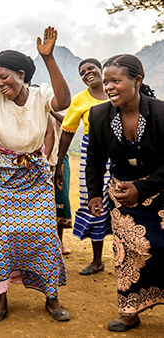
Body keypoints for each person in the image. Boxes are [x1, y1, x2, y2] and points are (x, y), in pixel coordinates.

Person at [0, 23, 71, 322]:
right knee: (4, 237)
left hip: (35, 174)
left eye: (3, 76)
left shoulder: (40, 95)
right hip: (1, 177)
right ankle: (0, 299)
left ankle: (52, 297)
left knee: (45, 235)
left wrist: (48, 58)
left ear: (21, 75)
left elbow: (64, 102)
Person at [86, 54, 164, 332]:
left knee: (161, 248)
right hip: (121, 192)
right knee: (128, 253)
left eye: (116, 81)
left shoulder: (161, 113)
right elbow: (94, 158)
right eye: (106, 82)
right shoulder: (98, 115)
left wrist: (142, 188)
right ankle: (130, 311)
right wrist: (94, 193)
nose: (108, 87)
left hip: (161, 190)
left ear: (137, 81)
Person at [55, 58, 110, 274]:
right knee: (94, 203)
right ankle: (97, 260)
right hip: (92, 156)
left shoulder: (117, 91)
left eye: (91, 68)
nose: (87, 73)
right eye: (82, 71)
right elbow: (67, 131)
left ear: (101, 70)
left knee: (124, 203)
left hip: (121, 153)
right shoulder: (80, 100)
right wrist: (59, 164)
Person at [48, 112, 73, 255]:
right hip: (38, 156)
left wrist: (50, 109)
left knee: (60, 199)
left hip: (59, 157)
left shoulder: (55, 106)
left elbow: (67, 121)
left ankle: (59, 242)